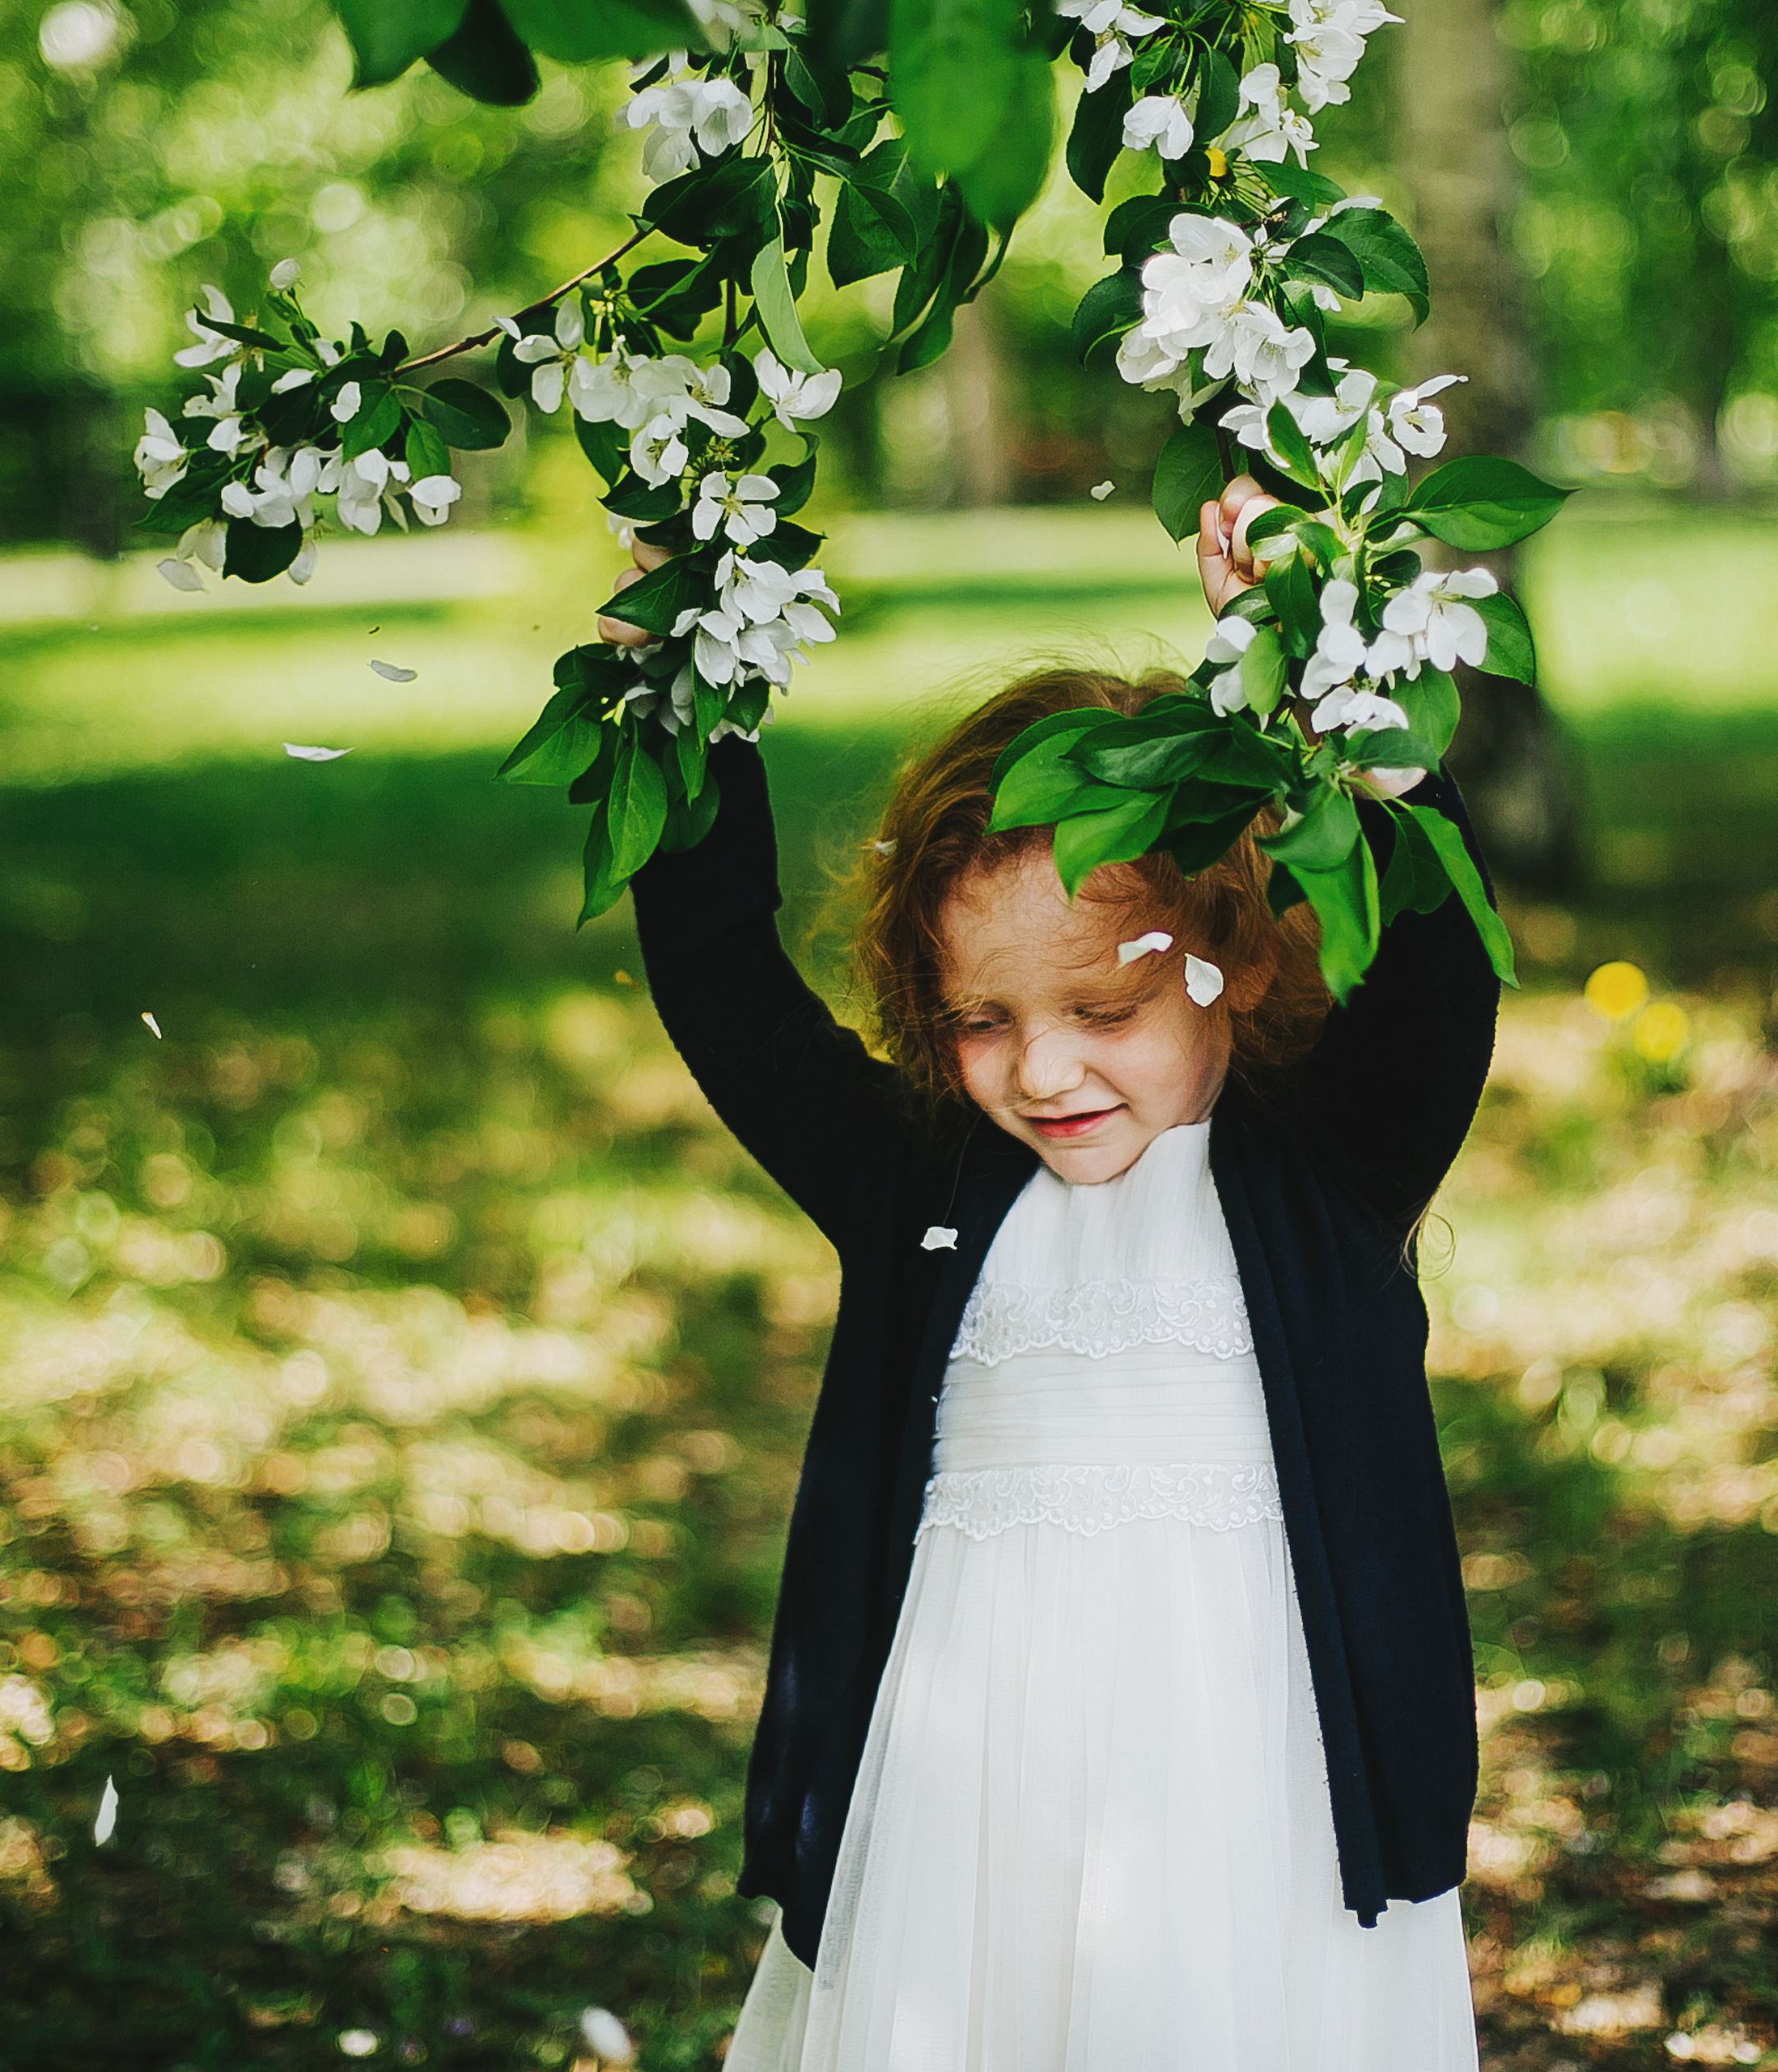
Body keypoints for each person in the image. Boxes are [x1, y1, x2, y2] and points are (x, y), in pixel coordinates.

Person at [604, 475, 1497, 2069]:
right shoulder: (917, 1179)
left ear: (1242, 954)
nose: (1040, 1069)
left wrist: (1310, 658)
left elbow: (1432, 964)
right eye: (978, 1017)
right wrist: (681, 668)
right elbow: (726, 979)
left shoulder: (1330, 1172)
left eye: (1101, 1010)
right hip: (968, 1807)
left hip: (1265, 1808)